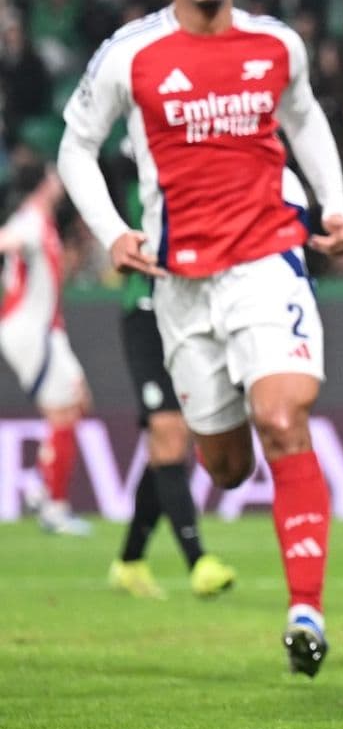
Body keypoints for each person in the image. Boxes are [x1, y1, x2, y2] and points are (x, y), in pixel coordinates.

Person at [56, 0, 343, 677]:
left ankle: (306, 612)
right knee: (224, 465)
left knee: (281, 413)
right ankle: (236, 480)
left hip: (267, 257)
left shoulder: (274, 44)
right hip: (180, 284)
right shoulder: (132, 55)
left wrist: (334, 206)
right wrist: (112, 233)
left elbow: (307, 118)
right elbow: (76, 149)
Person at [108, 167, 241, 600]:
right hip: (146, 312)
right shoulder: (138, 159)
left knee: (171, 445)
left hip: (188, 311)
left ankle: (129, 561)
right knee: (169, 431)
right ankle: (198, 561)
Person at [0, 164, 92, 537]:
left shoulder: (47, 224)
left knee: (78, 401)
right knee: (61, 412)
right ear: (41, 184)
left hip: (49, 329)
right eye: (53, 176)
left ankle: (42, 484)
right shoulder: (30, 221)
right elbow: (7, 241)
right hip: (28, 329)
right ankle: (53, 506)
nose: (59, 181)